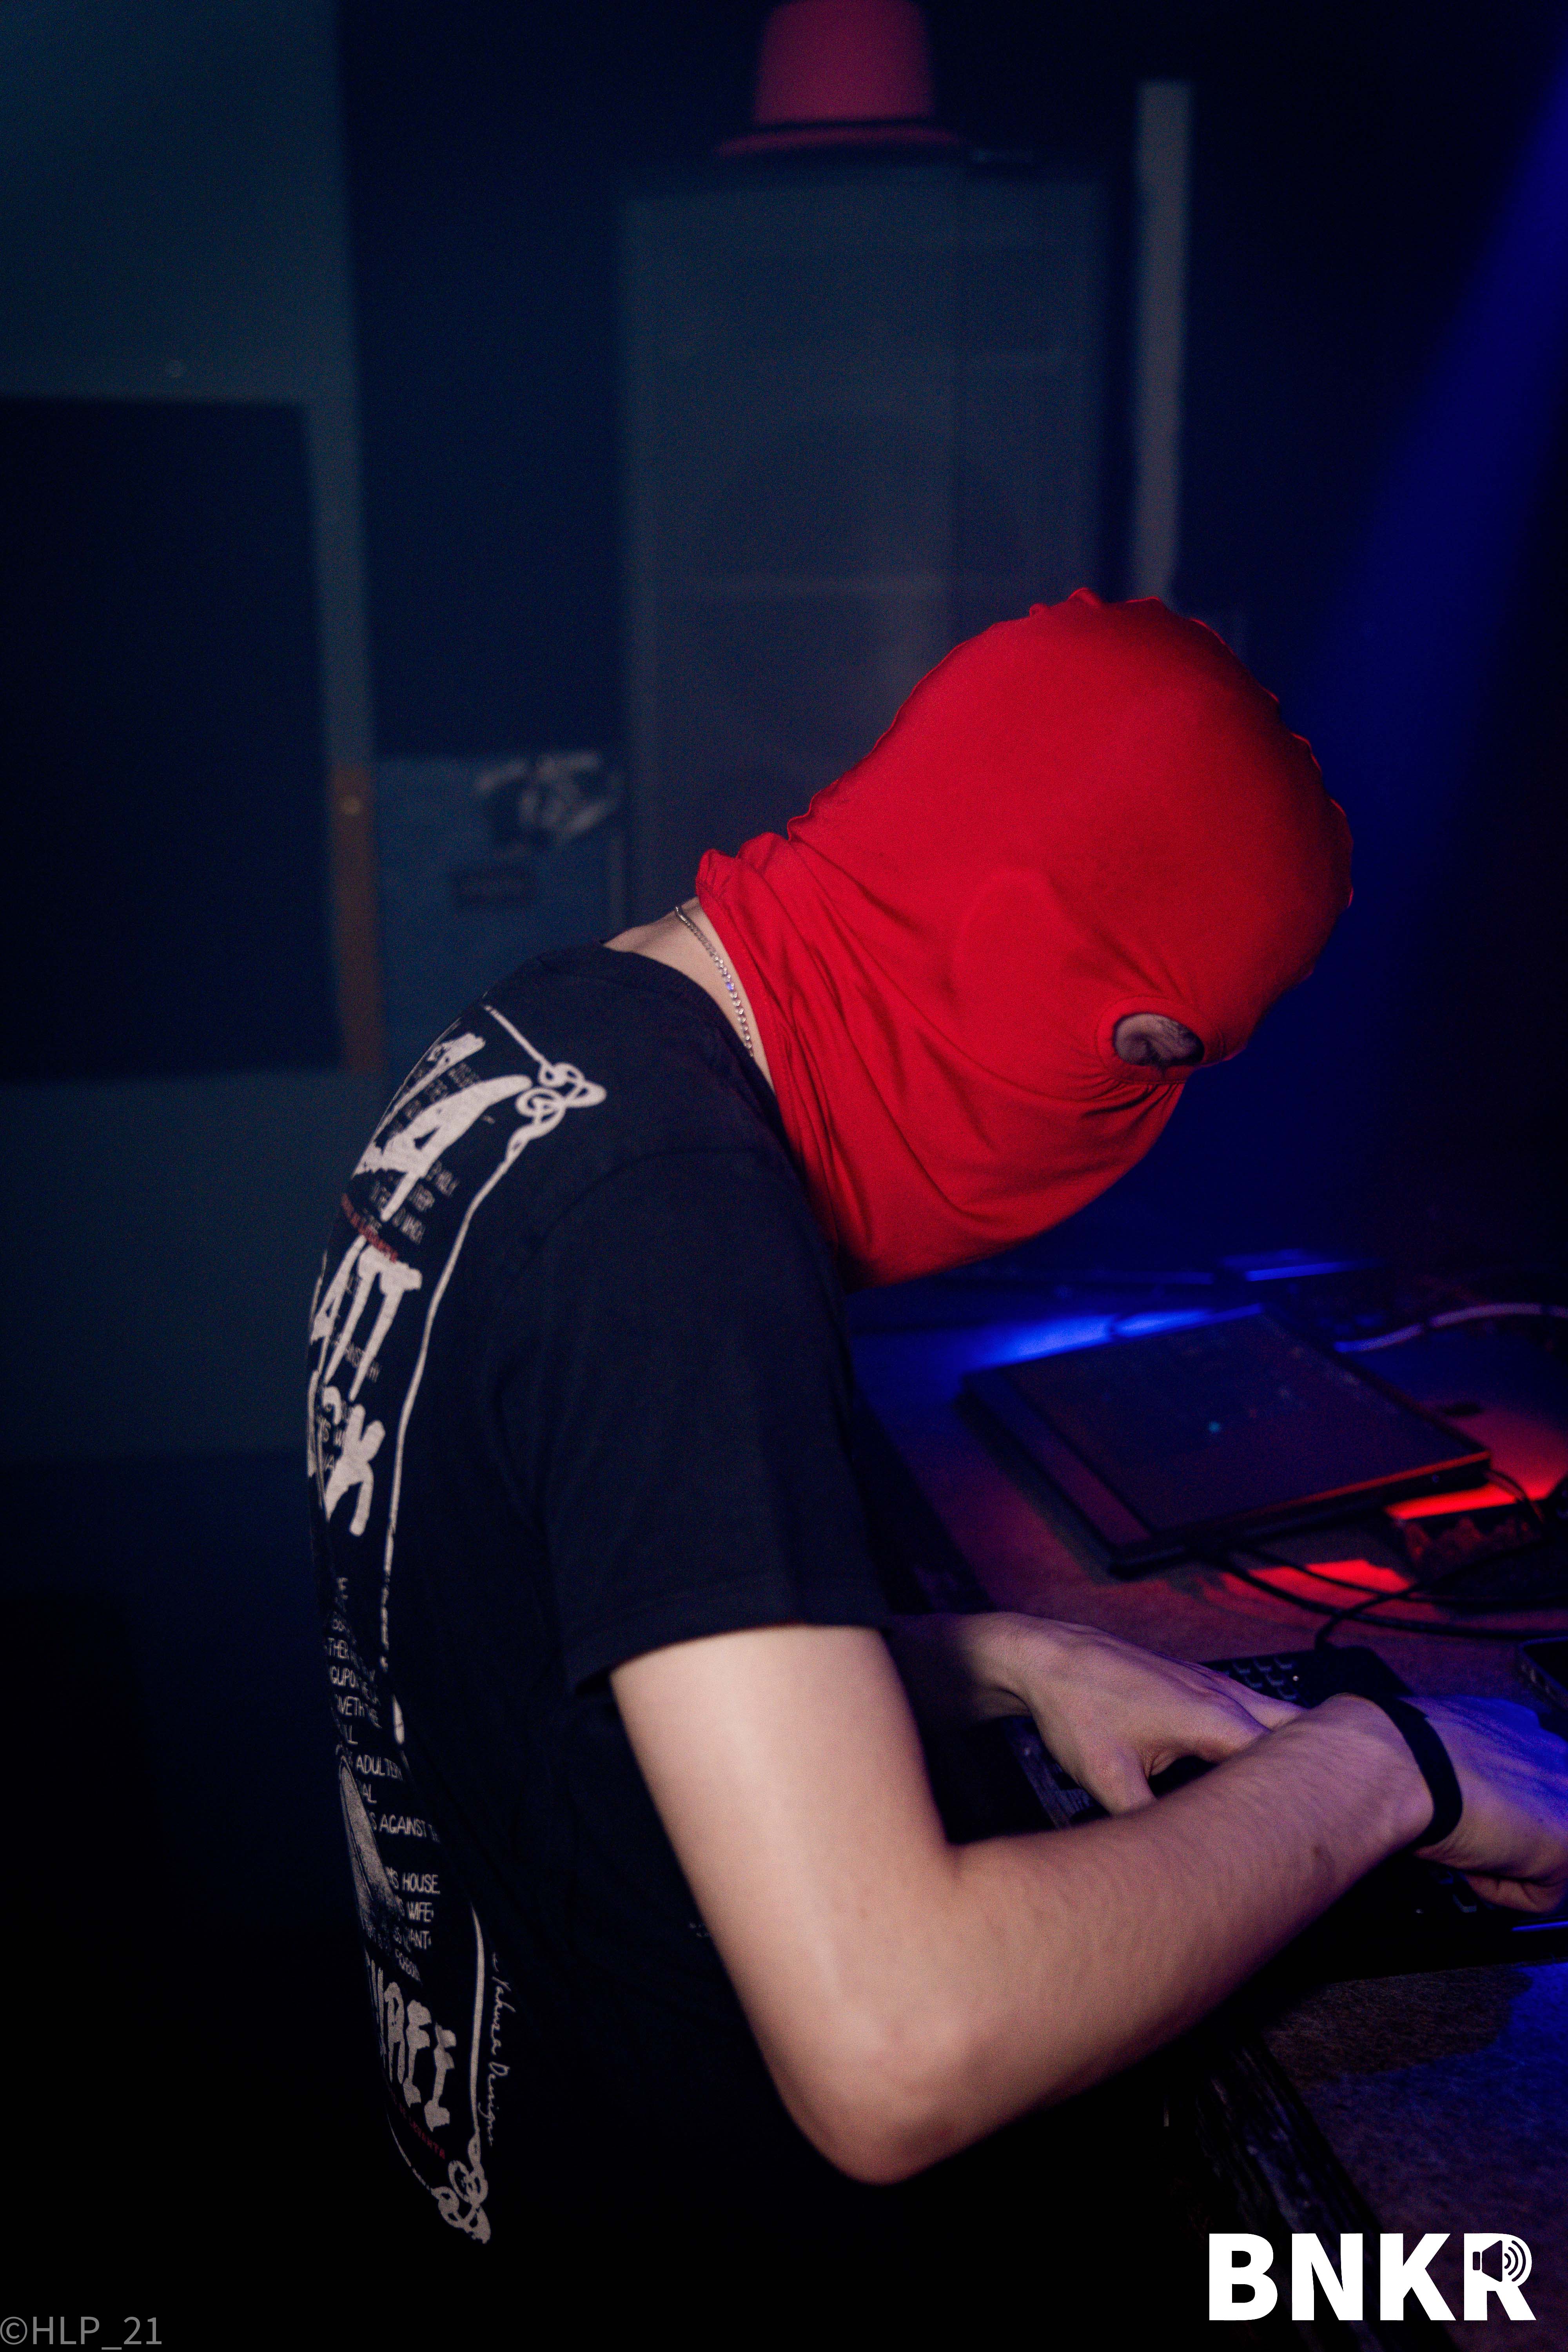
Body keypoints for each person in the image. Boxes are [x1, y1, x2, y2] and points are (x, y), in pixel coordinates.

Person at [308, 593, 1568, 2290]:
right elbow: (894, 2053)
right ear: (1011, 928)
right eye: (1151, 1051)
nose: (1145, 1119)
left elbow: (542, 1629)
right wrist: (1384, 1769)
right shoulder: (675, 1232)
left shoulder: (549, 1051)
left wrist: (999, 1657)